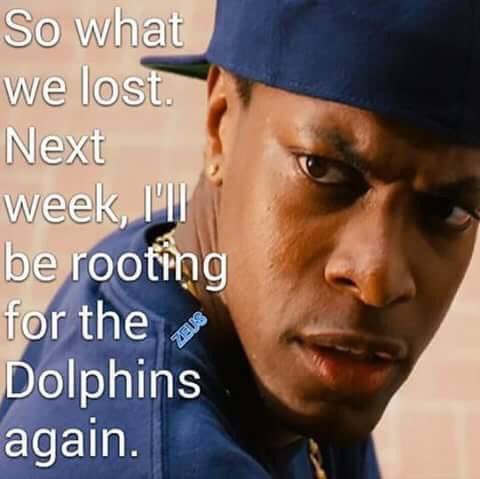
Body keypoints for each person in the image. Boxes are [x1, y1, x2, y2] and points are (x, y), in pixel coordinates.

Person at [1, 0, 479, 477]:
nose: (377, 281)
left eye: (448, 209)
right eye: (323, 170)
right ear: (221, 123)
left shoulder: (182, 268)